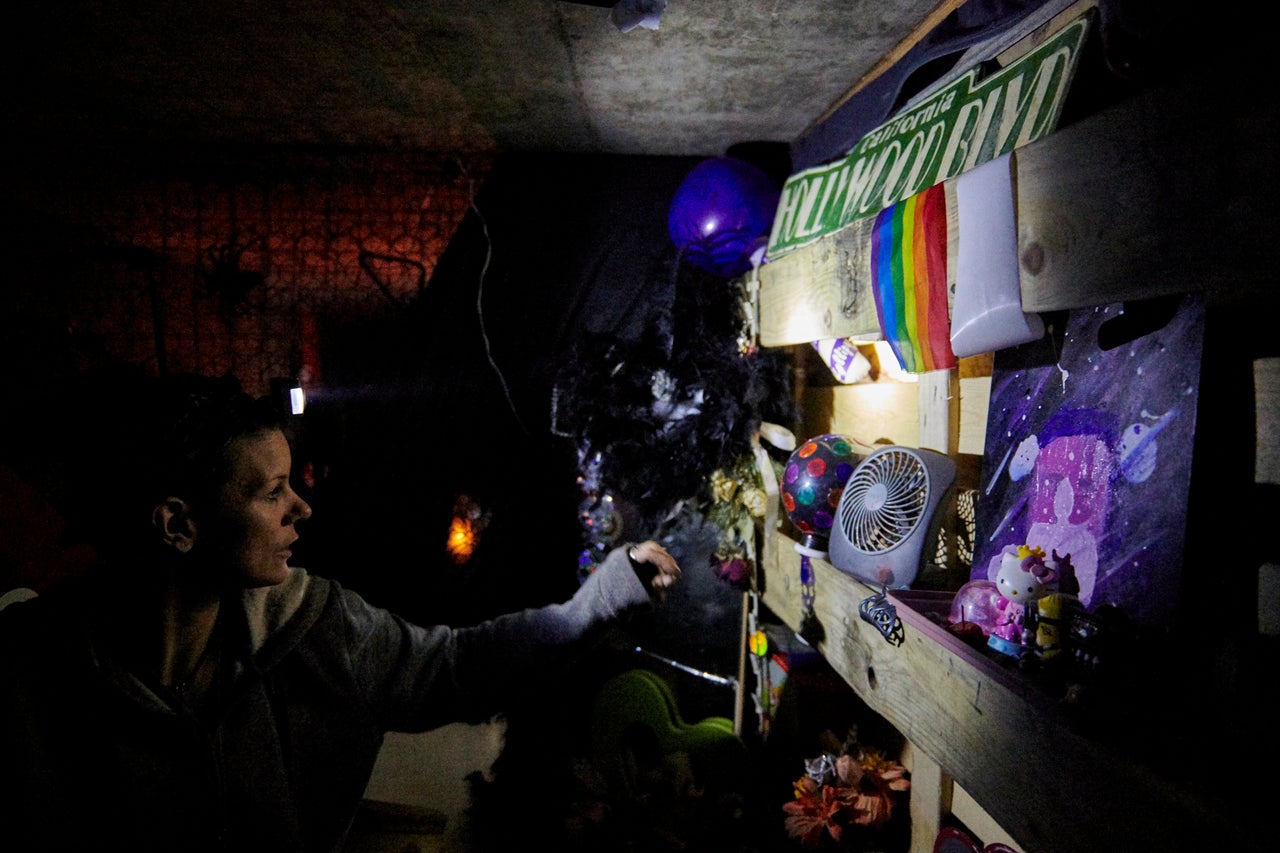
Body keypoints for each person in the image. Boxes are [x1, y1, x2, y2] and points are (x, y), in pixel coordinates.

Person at [0, 370, 681, 852]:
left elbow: (454, 667)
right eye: (272, 491)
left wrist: (602, 596)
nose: (302, 507)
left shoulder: (312, 624)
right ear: (179, 524)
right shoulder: (37, 672)